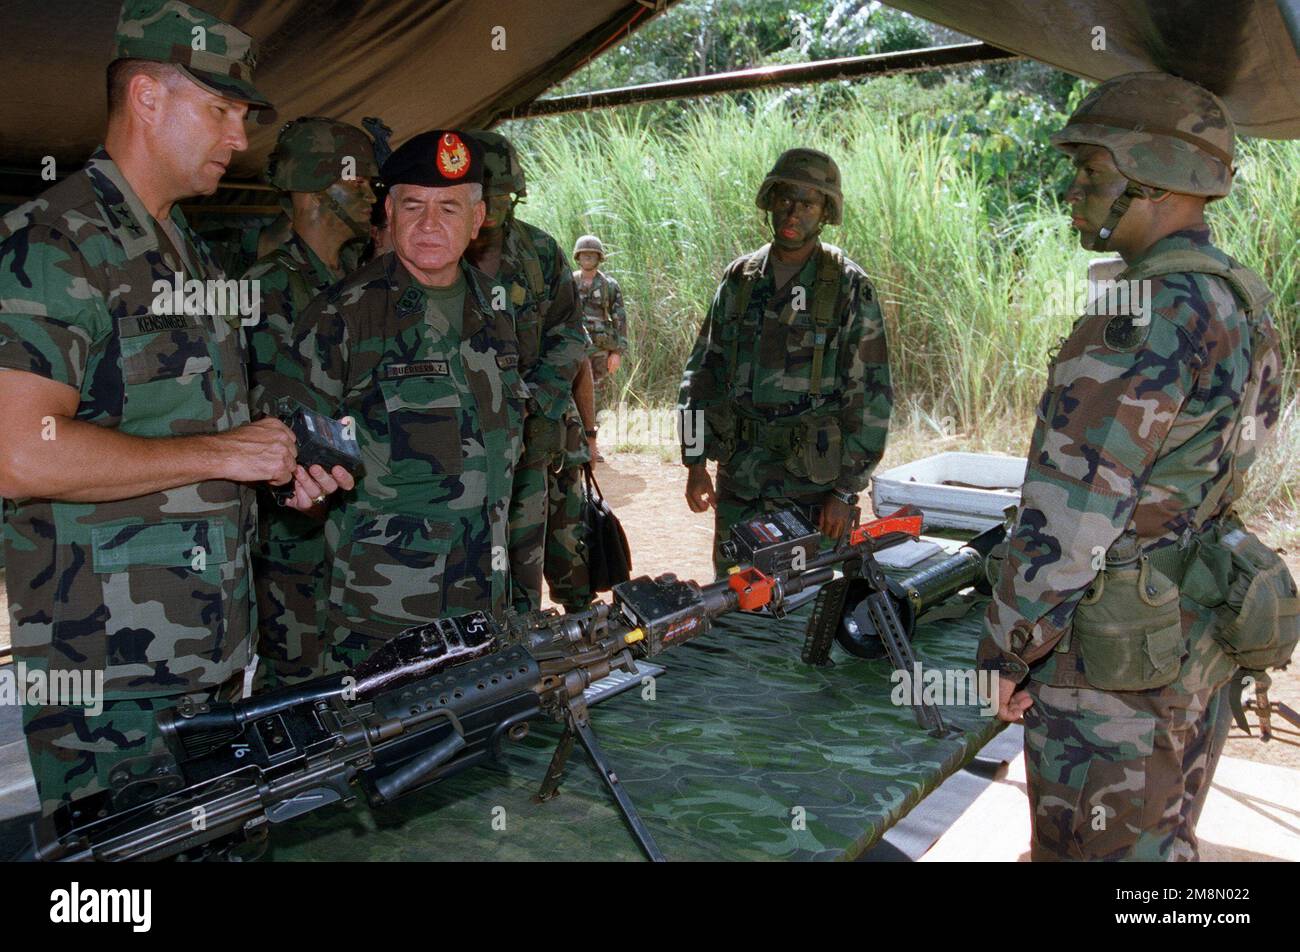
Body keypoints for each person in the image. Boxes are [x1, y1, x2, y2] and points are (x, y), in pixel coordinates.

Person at [0, 0, 351, 816]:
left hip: (211, 656)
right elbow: (18, 452)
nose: (240, 137)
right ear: (147, 99)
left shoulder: (184, 247)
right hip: (110, 679)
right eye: (222, 110)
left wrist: (271, 469)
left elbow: (180, 428)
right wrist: (220, 454)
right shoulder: (52, 245)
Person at [979, 72, 1287, 861]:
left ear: (1149, 179)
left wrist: (1010, 647)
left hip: (1114, 662)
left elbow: (1071, 515)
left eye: (1091, 172)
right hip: (1193, 628)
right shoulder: (1239, 300)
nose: (1073, 192)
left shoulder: (1140, 312)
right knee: (1162, 843)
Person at [259, 130, 530, 660]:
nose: (431, 224)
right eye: (414, 205)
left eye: (449, 208)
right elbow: (281, 440)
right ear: (389, 211)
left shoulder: (495, 311)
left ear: (477, 221)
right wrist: (299, 483)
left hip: (483, 602)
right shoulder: (344, 315)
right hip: (384, 615)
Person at [677, 148, 893, 575]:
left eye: (808, 203)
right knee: (736, 592)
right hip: (741, 475)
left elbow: (871, 396)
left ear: (826, 212)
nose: (793, 213)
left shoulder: (848, 285)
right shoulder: (740, 279)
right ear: (771, 202)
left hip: (813, 483)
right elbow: (701, 373)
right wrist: (695, 461)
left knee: (807, 598)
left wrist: (847, 492)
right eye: (785, 200)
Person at [246, 117, 378, 689]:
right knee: (299, 685)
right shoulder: (265, 289)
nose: (374, 195)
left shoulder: (359, 277)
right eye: (363, 183)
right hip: (298, 535)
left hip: (356, 525)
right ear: (319, 190)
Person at [464, 130, 588, 614]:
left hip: (533, 436)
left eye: (502, 195)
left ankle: (525, 652)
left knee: (525, 554)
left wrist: (536, 398)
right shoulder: (436, 252)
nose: (492, 207)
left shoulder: (538, 253)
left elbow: (569, 334)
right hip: (460, 447)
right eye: (482, 194)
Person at [572, 235, 627, 462]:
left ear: (599, 258)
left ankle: (593, 445)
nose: (587, 258)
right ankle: (575, 445)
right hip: (574, 347)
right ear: (577, 257)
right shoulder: (569, 282)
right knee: (571, 394)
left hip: (600, 350)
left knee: (597, 395)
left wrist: (617, 352)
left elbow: (620, 320)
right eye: (584, 254)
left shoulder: (609, 286)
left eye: (592, 255)